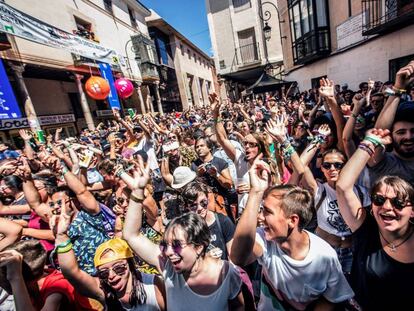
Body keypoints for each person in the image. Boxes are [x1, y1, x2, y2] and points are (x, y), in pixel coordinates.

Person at [230, 157, 354, 310]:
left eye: (267, 212)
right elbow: (238, 257)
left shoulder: (325, 256)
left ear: (293, 220)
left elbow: (332, 298)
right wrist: (256, 192)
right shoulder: (265, 238)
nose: (260, 217)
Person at [122, 160, 244, 310]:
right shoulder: (168, 269)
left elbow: (239, 306)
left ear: (199, 247)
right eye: (164, 245)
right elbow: (130, 235)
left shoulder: (226, 273)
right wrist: (138, 191)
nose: (167, 252)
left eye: (176, 245)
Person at [336, 128, 414, 310]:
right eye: (379, 200)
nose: (387, 207)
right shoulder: (366, 227)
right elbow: (343, 186)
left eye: (398, 202)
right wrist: (369, 143)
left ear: (412, 211)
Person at [181, 181, 235, 260]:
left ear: (208, 199)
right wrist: (207, 258)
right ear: (186, 207)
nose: (199, 208)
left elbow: (233, 257)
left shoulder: (223, 221)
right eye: (193, 205)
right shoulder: (185, 228)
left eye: (203, 202)